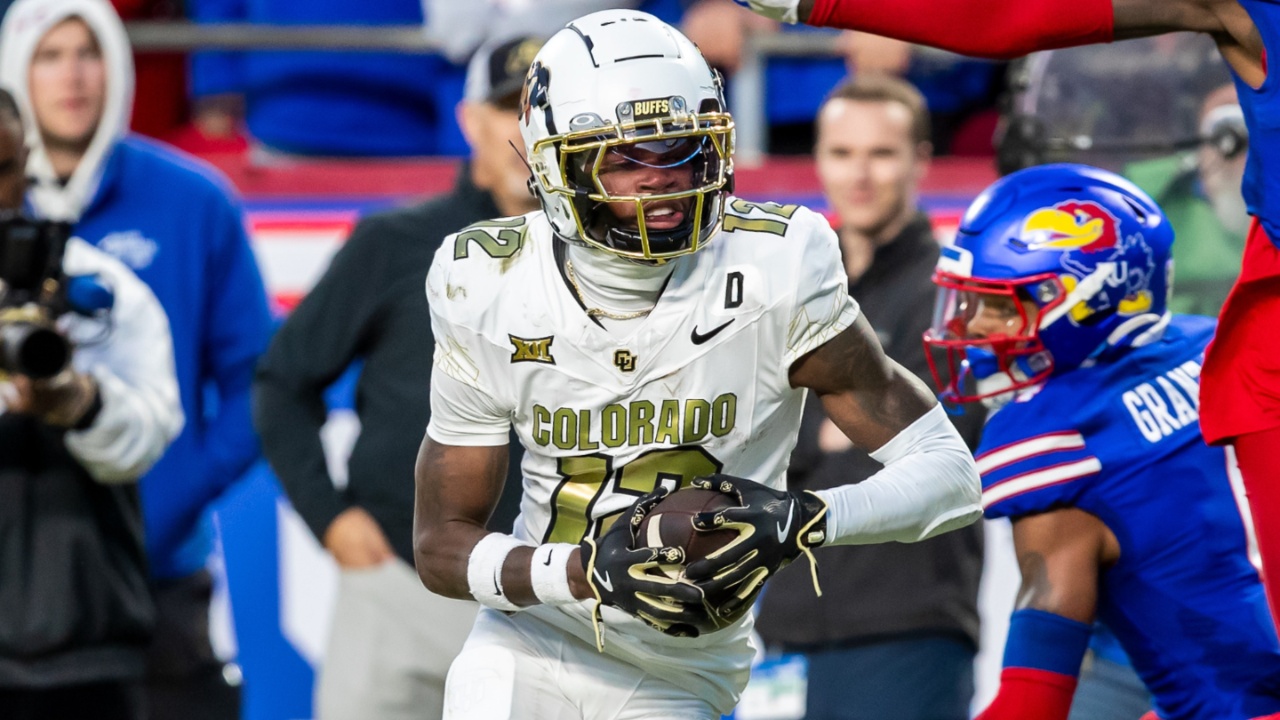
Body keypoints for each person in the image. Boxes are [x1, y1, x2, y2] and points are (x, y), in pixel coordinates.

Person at [414, 10, 983, 720]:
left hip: (685, 668)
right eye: (624, 159)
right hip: (535, 637)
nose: (660, 181)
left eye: (681, 150)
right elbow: (440, 547)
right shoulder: (487, 280)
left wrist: (801, 519)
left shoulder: (776, 263)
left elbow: (950, 477)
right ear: (555, 168)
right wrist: (584, 571)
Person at [733, 0, 1280, 636]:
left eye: (1000, 307)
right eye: (841, 152)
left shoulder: (1080, 420)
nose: (978, 332)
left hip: (911, 616)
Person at [923, 163, 1280, 720]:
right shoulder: (1211, 344)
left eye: (1000, 304)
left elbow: (1032, 703)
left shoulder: (1059, 441)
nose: (971, 328)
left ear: (1091, 298)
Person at [252, 35, 542, 720]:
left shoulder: (611, 263)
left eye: (544, 110)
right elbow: (282, 382)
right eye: (509, 107)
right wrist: (331, 520)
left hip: (545, 601)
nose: (526, 131)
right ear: (470, 121)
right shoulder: (395, 243)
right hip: (399, 591)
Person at [0, 1, 274, 717]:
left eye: (88, 51)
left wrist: (175, 492)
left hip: (159, 575)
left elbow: (260, 382)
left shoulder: (192, 202)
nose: (72, 75)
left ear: (119, 64)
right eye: (49, 55)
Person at [755, 75, 984, 720]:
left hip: (907, 626)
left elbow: (940, 450)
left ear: (921, 160)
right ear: (818, 160)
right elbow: (745, 431)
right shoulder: (792, 292)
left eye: (881, 154)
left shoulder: (955, 295)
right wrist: (833, 424)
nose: (859, 175)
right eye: (842, 153)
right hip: (781, 626)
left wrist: (796, 420)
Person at [0, 87, 184, 720]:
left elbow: (153, 430)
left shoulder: (96, 287)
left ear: (27, 161)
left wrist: (80, 402)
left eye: (2, 168)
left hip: (84, 643)